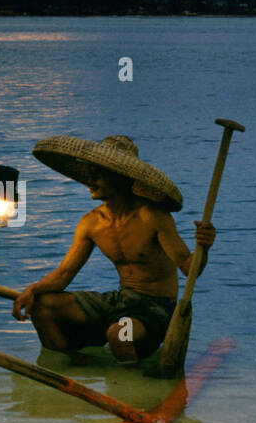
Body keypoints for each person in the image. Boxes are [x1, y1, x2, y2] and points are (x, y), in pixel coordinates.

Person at [12, 134, 215, 363]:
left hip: (155, 308)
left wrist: (203, 247)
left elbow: (190, 270)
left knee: (120, 333)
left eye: (99, 174)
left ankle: (127, 389)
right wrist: (32, 290)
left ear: (121, 177)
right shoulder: (91, 223)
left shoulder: (152, 217)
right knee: (42, 306)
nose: (90, 180)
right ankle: (72, 370)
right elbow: (64, 274)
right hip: (120, 301)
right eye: (89, 173)